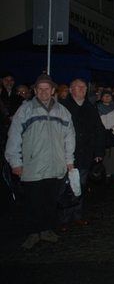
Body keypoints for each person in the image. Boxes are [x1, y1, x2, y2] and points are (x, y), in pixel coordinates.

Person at [5, 74, 76, 250]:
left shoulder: (62, 111)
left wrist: (69, 160)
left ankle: (46, 230)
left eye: (47, 88)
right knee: (32, 201)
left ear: (53, 91)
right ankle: (33, 232)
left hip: (55, 165)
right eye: (40, 89)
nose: (44, 92)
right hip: (32, 165)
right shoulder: (26, 110)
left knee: (50, 200)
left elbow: (70, 137)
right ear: (35, 91)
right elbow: (14, 137)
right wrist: (15, 162)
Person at [59, 78, 105, 230]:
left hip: (85, 154)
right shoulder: (63, 108)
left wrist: (98, 151)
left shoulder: (90, 107)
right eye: (78, 87)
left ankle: (77, 215)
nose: (82, 90)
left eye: (84, 87)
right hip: (68, 154)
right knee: (67, 186)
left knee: (81, 185)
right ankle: (65, 218)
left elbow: (99, 130)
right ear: (71, 90)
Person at [98, 89, 114, 180]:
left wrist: (112, 129)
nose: (107, 97)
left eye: (109, 96)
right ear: (101, 98)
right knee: (105, 155)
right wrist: (103, 131)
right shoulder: (98, 109)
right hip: (103, 135)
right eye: (105, 96)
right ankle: (106, 172)